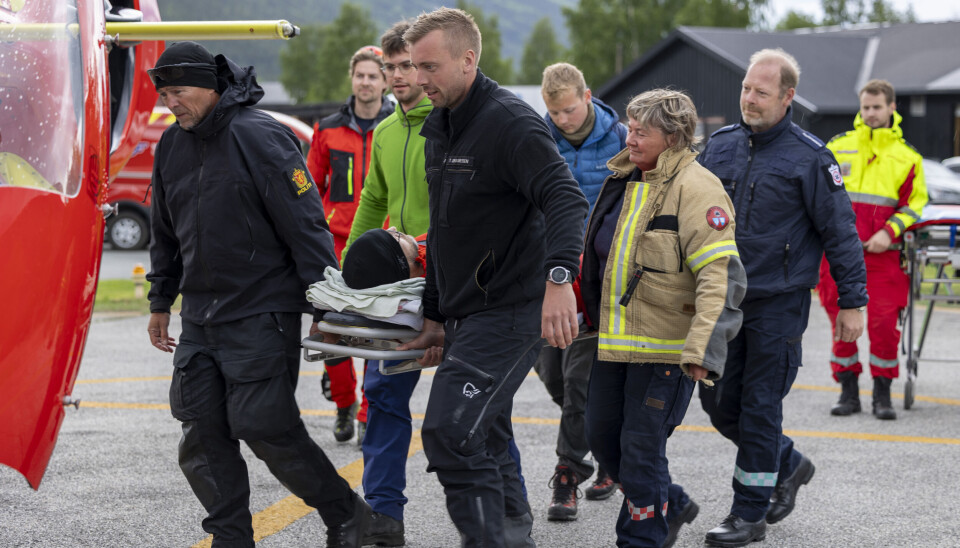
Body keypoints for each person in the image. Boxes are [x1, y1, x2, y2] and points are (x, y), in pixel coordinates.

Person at [144, 42, 370, 548]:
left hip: (262, 310)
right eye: (165, 93)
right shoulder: (170, 145)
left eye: (178, 91)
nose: (171, 102)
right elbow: (164, 230)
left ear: (209, 86)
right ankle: (231, 538)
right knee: (201, 433)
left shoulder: (260, 135)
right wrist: (161, 300)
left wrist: (326, 308)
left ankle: (346, 514)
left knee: (264, 425)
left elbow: (307, 228)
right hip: (201, 316)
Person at [398, 8, 590, 547]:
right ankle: (510, 537)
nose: (419, 79)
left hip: (512, 307)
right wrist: (434, 316)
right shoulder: (439, 123)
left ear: (468, 59)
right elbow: (444, 229)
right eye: (414, 66)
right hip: (465, 311)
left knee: (449, 432)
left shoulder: (510, 122)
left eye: (430, 66)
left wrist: (559, 282)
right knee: (483, 431)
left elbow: (566, 200)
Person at [696, 48, 867, 547]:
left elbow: (841, 233)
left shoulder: (811, 158)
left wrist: (853, 302)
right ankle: (787, 463)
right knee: (720, 404)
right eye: (747, 88)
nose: (749, 98)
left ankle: (748, 515)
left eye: (761, 92)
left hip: (779, 303)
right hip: (724, 302)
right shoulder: (721, 146)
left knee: (759, 406)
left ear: (787, 97)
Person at [580, 88, 746, 548]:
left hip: (667, 353)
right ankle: (669, 501)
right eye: (629, 128)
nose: (628, 138)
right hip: (613, 345)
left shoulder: (699, 188)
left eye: (641, 131)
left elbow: (721, 277)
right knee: (601, 440)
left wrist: (704, 349)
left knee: (639, 452)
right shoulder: (624, 180)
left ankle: (642, 539)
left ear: (673, 137)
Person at [340, 19, 432, 547]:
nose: (398, 77)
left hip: (454, 281)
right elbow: (372, 199)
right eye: (391, 66)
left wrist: (420, 247)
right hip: (396, 289)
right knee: (383, 396)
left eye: (406, 66)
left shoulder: (451, 126)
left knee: (476, 412)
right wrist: (356, 267)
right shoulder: (386, 131)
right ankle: (384, 516)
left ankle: (504, 517)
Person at [536, 62, 627, 520]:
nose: (562, 120)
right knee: (551, 372)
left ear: (587, 97)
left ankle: (568, 476)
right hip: (548, 272)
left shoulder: (622, 139)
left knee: (577, 382)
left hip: (597, 278)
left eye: (569, 110)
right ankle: (608, 452)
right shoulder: (537, 137)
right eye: (554, 112)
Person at [820, 79, 928, 420]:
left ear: (891, 107)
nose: (870, 113)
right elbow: (817, 195)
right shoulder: (837, 146)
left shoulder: (908, 156)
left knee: (883, 325)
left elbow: (916, 203)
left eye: (877, 107)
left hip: (884, 255)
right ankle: (847, 391)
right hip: (838, 254)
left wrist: (888, 231)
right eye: (865, 107)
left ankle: (883, 394)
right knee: (841, 322)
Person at [306, 45, 394, 444]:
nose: (366, 81)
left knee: (378, 330)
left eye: (373, 75)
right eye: (360, 74)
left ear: (385, 80)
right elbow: (310, 186)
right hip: (336, 242)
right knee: (333, 328)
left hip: (386, 245)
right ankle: (343, 404)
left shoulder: (399, 126)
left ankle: (365, 412)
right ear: (352, 78)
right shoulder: (327, 129)